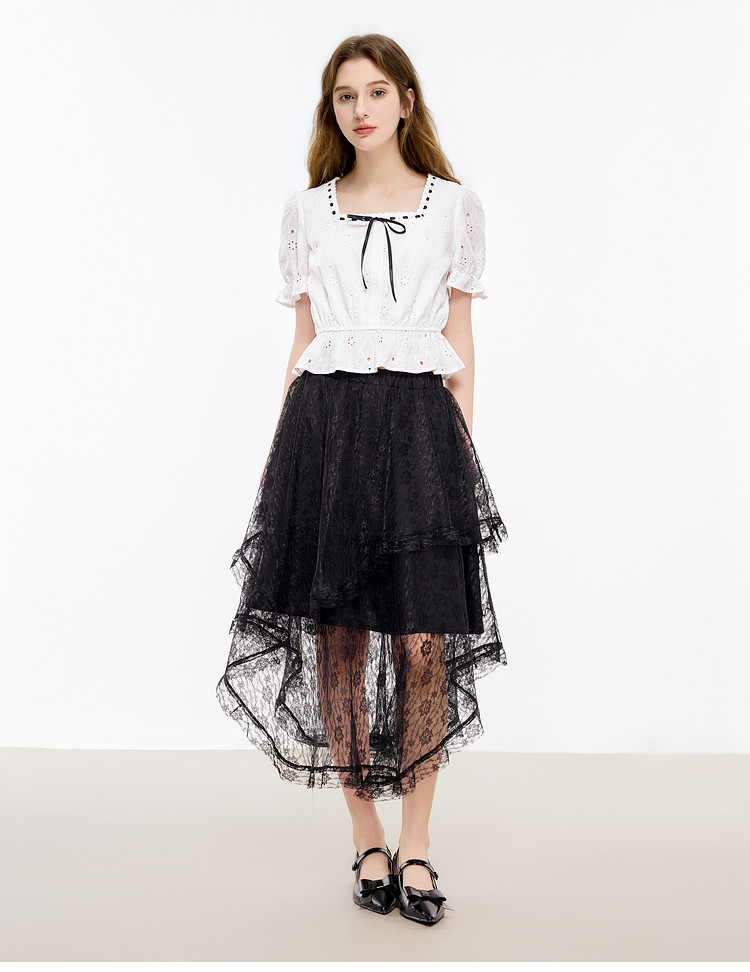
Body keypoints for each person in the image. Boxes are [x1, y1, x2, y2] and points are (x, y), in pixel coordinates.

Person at [216, 33, 509, 925]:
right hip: (327, 432)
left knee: (424, 646)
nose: (361, 109)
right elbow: (302, 344)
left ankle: (417, 842)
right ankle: (366, 837)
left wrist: (458, 461)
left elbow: (462, 349)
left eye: (377, 91)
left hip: (419, 433)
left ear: (406, 100)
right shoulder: (307, 214)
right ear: (332, 109)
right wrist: (281, 458)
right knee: (339, 640)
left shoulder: (455, 207)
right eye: (345, 95)